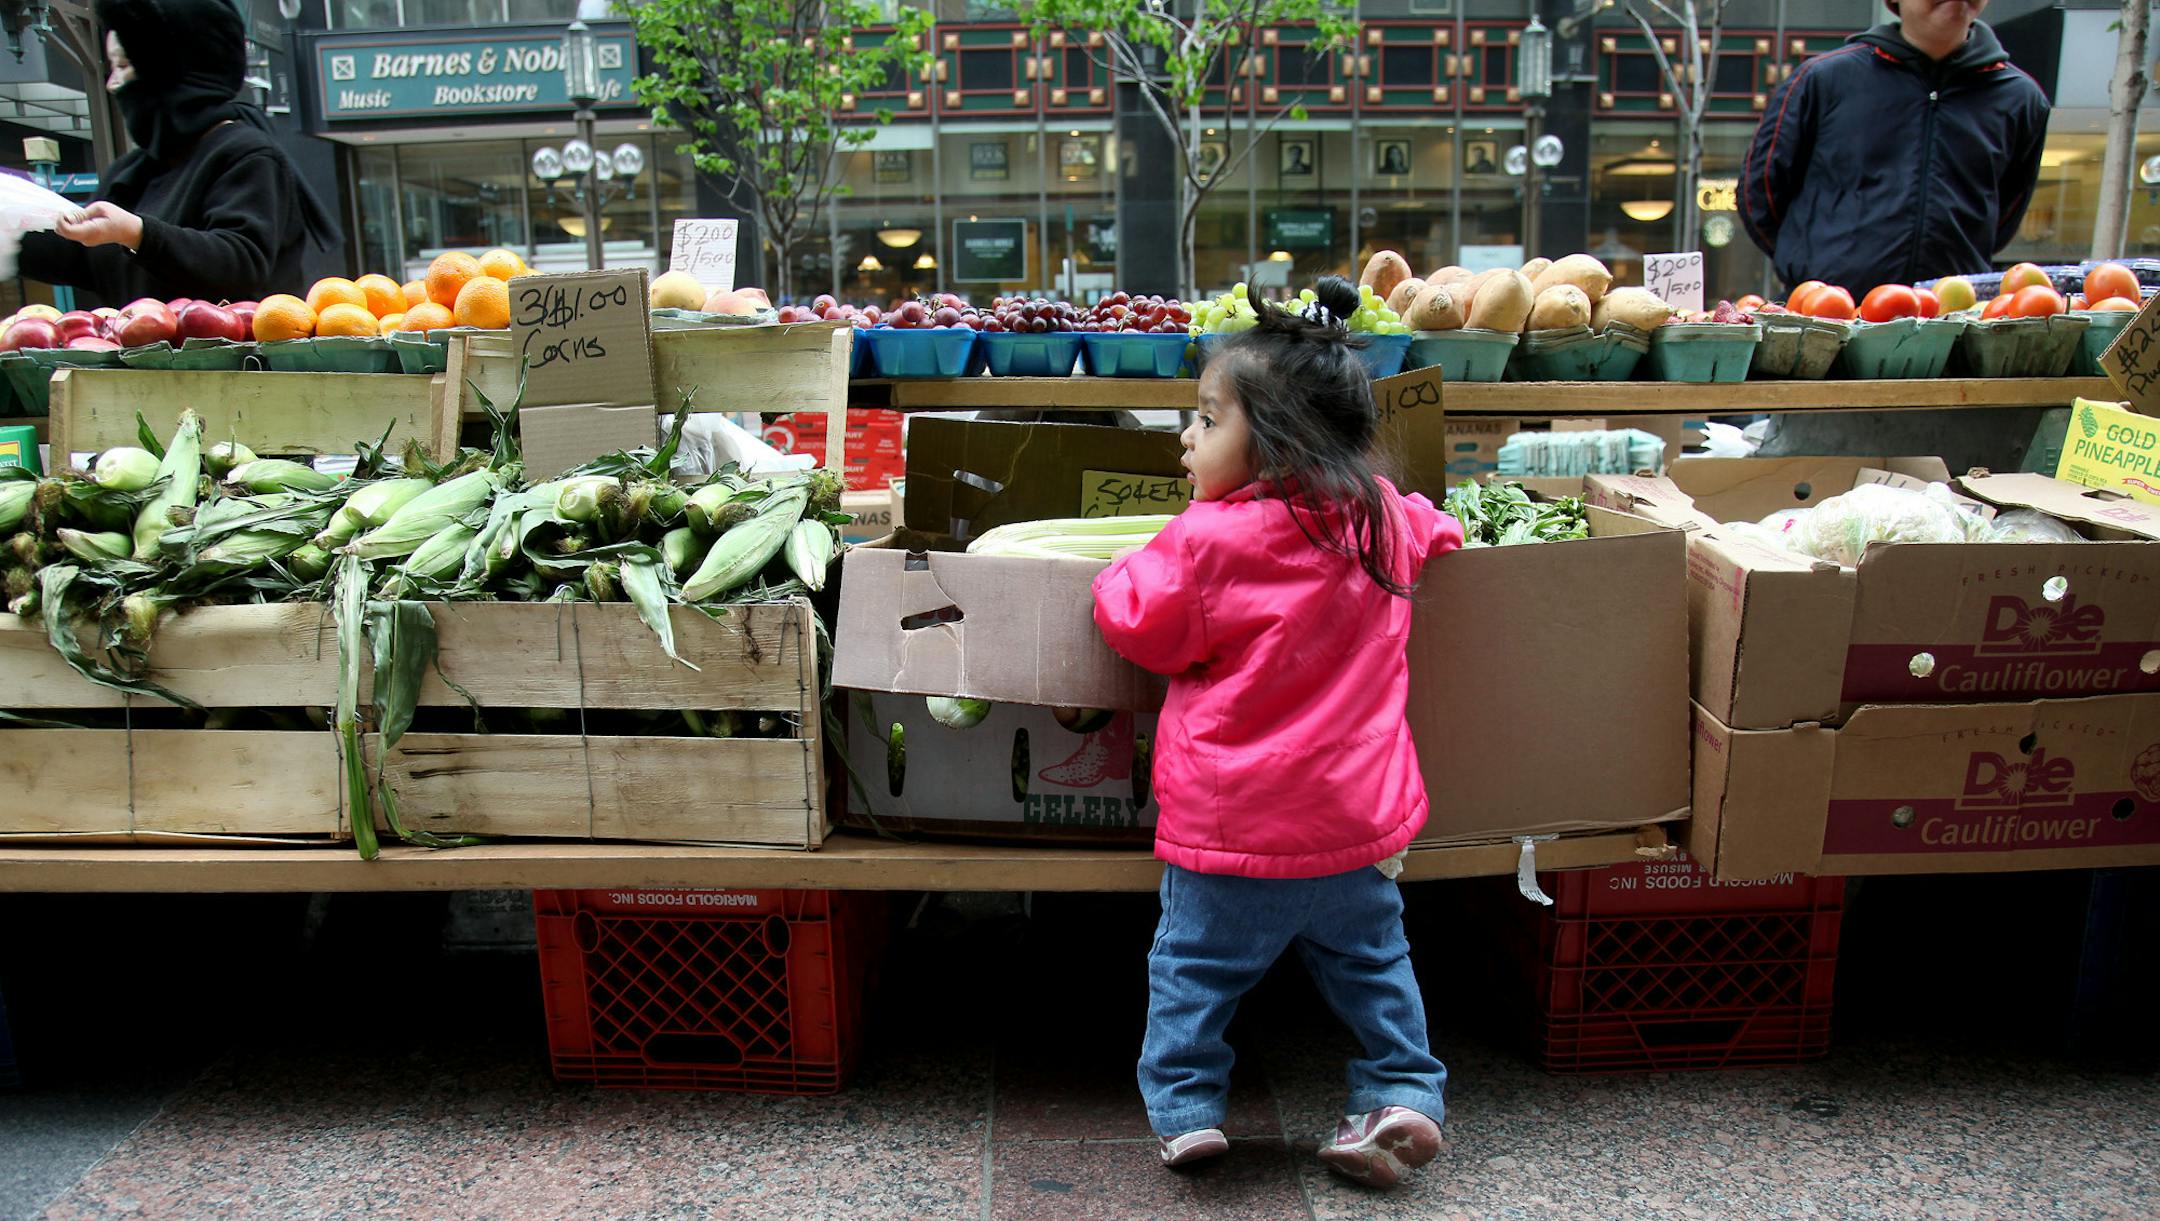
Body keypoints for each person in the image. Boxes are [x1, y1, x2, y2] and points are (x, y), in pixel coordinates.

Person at [1091, 276, 1461, 1189]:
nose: (1187, 437)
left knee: (1192, 970)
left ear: (1278, 439)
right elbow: (1436, 526)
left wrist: (1114, 570)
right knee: (1376, 966)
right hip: (1354, 824)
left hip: (1234, 829)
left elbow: (1137, 621)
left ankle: (1187, 1110)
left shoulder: (1204, 543)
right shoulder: (1378, 517)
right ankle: (1403, 1087)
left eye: (1207, 419)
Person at [1738, 0, 2051, 472]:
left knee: (1943, 501)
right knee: (1806, 490)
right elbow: (1761, 194)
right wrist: (1815, 269)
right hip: (1828, 338)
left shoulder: (2020, 99)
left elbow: (2003, 215)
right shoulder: (1823, 80)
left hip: (1951, 343)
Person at [18, 0, 340, 307]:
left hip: (235, 364)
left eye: (124, 66)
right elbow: (82, 259)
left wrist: (136, 234)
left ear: (172, 71)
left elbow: (241, 263)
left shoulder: (248, 156)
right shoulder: (133, 171)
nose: (112, 84)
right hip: (138, 360)